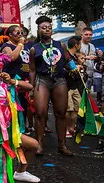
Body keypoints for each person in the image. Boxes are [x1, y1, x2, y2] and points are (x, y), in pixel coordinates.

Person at [29, 16, 73, 156]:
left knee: (61, 113)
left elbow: (67, 61)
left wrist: (74, 67)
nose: (47, 29)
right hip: (42, 80)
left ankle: (62, 145)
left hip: (59, 80)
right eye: (44, 27)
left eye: (49, 27)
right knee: (40, 113)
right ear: (38, 30)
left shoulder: (61, 45)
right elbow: (32, 70)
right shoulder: (34, 49)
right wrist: (31, 87)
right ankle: (39, 144)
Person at [65, 36, 83, 137]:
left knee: (77, 107)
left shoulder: (75, 56)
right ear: (76, 45)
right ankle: (66, 129)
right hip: (67, 86)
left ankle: (72, 128)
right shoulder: (66, 56)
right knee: (68, 109)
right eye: (80, 44)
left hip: (75, 86)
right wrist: (74, 68)